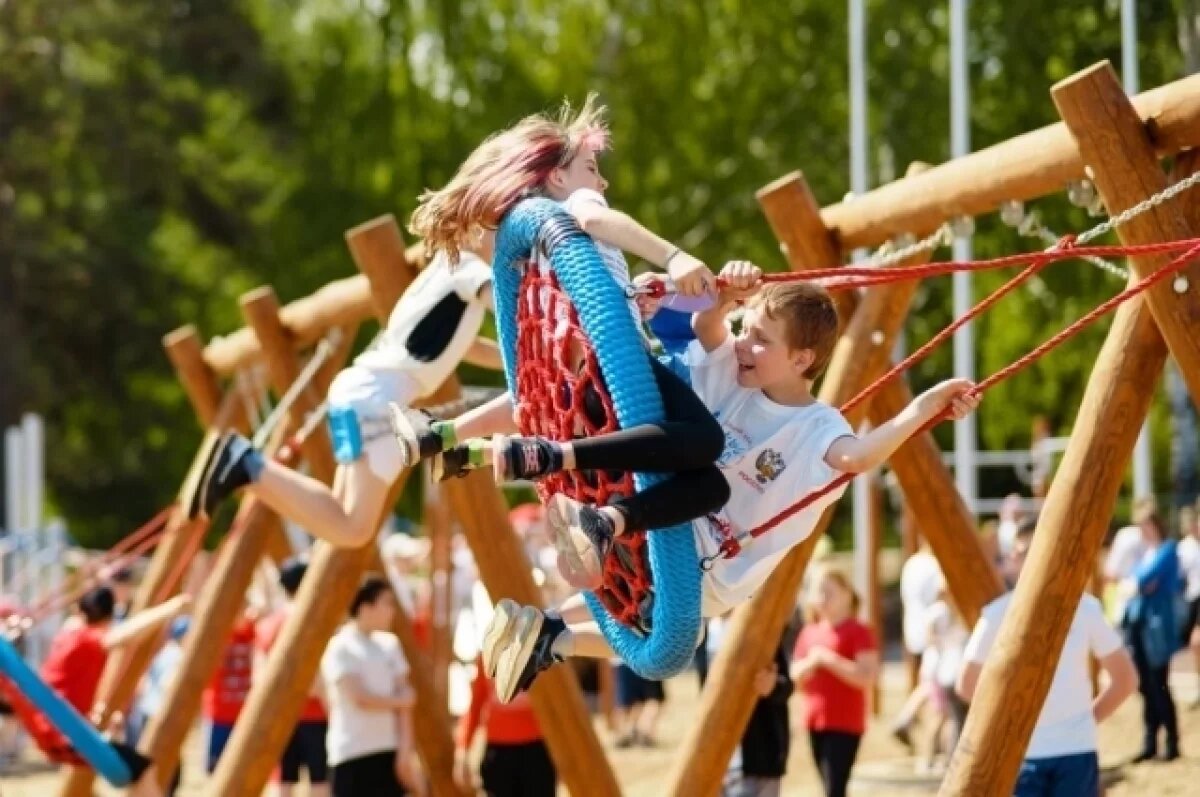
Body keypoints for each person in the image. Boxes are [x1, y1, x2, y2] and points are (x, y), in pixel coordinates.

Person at [475, 262, 980, 702]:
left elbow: (859, 455)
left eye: (762, 339)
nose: (745, 343)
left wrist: (926, 405)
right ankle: (563, 583)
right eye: (747, 327)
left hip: (707, 566)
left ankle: (548, 634)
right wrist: (727, 295)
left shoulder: (818, 428)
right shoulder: (733, 373)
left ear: (802, 361)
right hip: (657, 521)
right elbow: (707, 325)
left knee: (667, 635)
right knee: (656, 603)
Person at [393, 94, 732, 592]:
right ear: (556, 177)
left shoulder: (536, 251)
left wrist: (634, 304)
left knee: (709, 483)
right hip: (609, 374)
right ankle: (546, 460)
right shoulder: (574, 211)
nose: (603, 182)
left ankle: (449, 438)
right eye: (592, 168)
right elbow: (596, 218)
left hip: (574, 384)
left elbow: (577, 311)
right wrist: (674, 256)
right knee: (708, 445)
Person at [185, 236, 502, 549]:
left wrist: (515, 359)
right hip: (379, 402)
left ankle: (249, 467)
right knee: (353, 528)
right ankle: (248, 465)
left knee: (341, 515)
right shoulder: (468, 266)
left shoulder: (437, 274)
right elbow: (504, 302)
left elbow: (468, 347)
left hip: (362, 392)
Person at [958, 517, 1138, 795]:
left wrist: (1085, 720)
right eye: (1020, 554)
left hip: (1070, 749)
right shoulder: (997, 614)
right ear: (1013, 560)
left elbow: (1125, 680)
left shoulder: (1085, 609)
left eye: (1033, 553)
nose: (1026, 562)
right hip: (1023, 753)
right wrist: (1009, 725)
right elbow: (967, 683)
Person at [321, 576, 418, 797]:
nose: (392, 610)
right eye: (387, 603)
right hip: (351, 752)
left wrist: (405, 749)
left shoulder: (390, 644)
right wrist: (400, 701)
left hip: (388, 751)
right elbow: (359, 697)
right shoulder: (340, 646)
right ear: (365, 606)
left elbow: (405, 704)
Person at [791, 569, 878, 797]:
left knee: (834, 788)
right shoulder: (809, 632)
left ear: (847, 594)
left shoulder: (858, 631)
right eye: (818, 592)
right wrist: (811, 663)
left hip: (845, 723)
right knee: (827, 786)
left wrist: (829, 660)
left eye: (829, 592)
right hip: (814, 721)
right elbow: (795, 674)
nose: (823, 598)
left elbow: (866, 677)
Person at [256, 559, 329, 797]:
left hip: (281, 713)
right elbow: (316, 677)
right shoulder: (310, 621)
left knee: (284, 780)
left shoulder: (269, 623)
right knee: (319, 780)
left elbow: (260, 672)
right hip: (314, 713)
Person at [1119, 499, 1183, 762]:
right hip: (1140, 623)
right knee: (1145, 684)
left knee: (1159, 683)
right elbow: (1135, 580)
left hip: (1156, 626)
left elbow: (1141, 580)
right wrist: (1140, 583)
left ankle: (1170, 741)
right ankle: (1150, 740)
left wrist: (1140, 583)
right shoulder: (1148, 552)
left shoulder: (1167, 550)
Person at [454, 654, 555, 797]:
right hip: (498, 753)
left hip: (536, 750)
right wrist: (462, 752)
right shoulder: (489, 653)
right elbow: (475, 707)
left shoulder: (543, 650)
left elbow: (560, 708)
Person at [721, 609, 799, 797]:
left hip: (760, 757)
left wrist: (773, 685)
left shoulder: (761, 631)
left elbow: (786, 685)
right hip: (721, 760)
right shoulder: (704, 637)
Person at [889, 540, 943, 752]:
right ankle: (907, 717)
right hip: (933, 630)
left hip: (914, 627)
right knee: (934, 681)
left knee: (929, 679)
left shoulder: (912, 562)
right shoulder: (932, 565)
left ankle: (907, 717)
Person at [202, 605, 256, 773]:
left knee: (241, 769)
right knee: (214, 768)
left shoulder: (251, 633)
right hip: (218, 714)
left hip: (243, 715)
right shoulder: (216, 634)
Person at [1174, 503, 1200, 707]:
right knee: (1195, 645)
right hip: (1192, 599)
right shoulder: (1184, 548)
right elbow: (1179, 577)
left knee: (1196, 642)